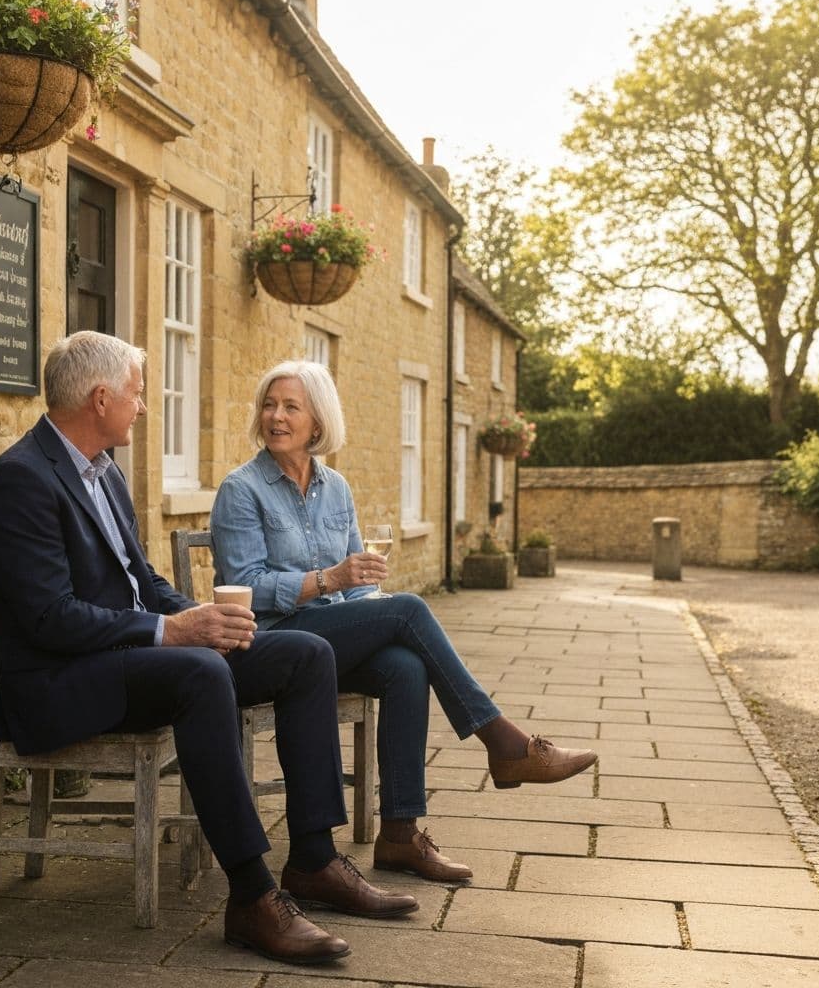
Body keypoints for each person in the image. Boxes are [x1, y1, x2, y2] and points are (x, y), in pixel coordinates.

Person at [0, 331, 420, 967]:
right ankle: (251, 895)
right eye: (136, 393)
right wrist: (172, 633)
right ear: (101, 400)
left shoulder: (104, 473)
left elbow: (144, 583)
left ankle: (315, 859)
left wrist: (202, 615)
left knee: (300, 653)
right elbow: (52, 621)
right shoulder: (22, 479)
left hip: (131, 660)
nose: (143, 405)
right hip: (61, 683)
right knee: (201, 672)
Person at [210, 360, 597, 883]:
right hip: (274, 640)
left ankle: (399, 836)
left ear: (318, 421)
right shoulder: (242, 489)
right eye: (269, 405)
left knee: (404, 666)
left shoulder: (336, 488)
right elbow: (246, 588)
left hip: (331, 636)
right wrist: (330, 580)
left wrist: (368, 594)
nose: (275, 416)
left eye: (290, 407)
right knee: (410, 609)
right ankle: (504, 744)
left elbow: (358, 580)